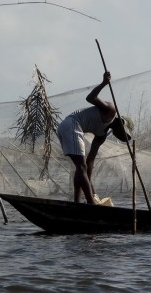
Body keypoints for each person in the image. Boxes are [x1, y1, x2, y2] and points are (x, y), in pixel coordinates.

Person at [56, 71, 134, 204]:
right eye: (123, 134)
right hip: (72, 124)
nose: (122, 137)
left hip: (70, 128)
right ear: (121, 123)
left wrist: (89, 181)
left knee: (81, 167)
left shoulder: (102, 136)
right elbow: (90, 98)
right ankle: (90, 202)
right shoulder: (111, 110)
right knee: (81, 167)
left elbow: (90, 161)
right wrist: (104, 83)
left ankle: (77, 201)